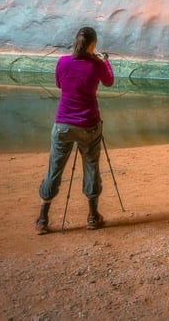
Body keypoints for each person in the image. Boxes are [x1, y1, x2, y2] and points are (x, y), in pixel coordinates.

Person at [36, 26, 114, 234]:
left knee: (54, 168)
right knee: (91, 167)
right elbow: (109, 82)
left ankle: (42, 219)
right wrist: (105, 61)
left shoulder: (62, 62)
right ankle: (92, 217)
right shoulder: (97, 64)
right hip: (89, 125)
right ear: (93, 45)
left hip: (63, 125)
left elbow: (60, 84)